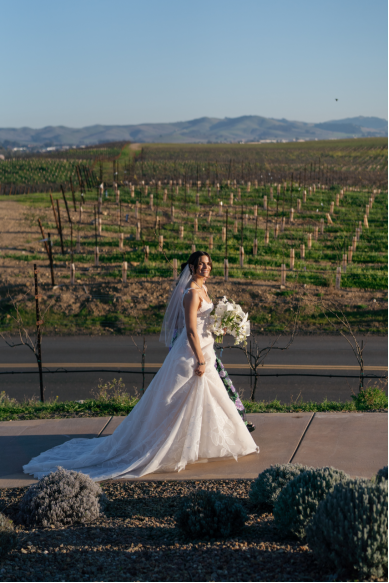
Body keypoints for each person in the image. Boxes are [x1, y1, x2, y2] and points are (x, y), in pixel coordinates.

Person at [23, 252, 259, 481]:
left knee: (210, 398)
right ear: (191, 267)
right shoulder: (190, 294)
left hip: (206, 347)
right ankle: (160, 444)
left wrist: (223, 326)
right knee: (174, 400)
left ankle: (202, 444)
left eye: (208, 264)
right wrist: (200, 359)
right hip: (191, 354)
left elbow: (204, 322)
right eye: (201, 264)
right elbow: (189, 330)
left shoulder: (205, 290)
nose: (205, 267)